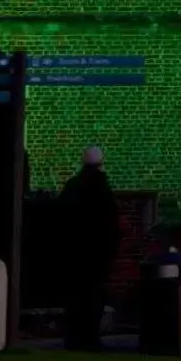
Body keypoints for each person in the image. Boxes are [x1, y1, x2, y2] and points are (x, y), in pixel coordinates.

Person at [57, 146, 120, 350]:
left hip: (74, 254)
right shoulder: (101, 188)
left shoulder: (73, 186)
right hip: (96, 255)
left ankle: (73, 339)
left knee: (74, 298)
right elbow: (110, 223)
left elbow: (61, 217)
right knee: (93, 298)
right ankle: (90, 339)